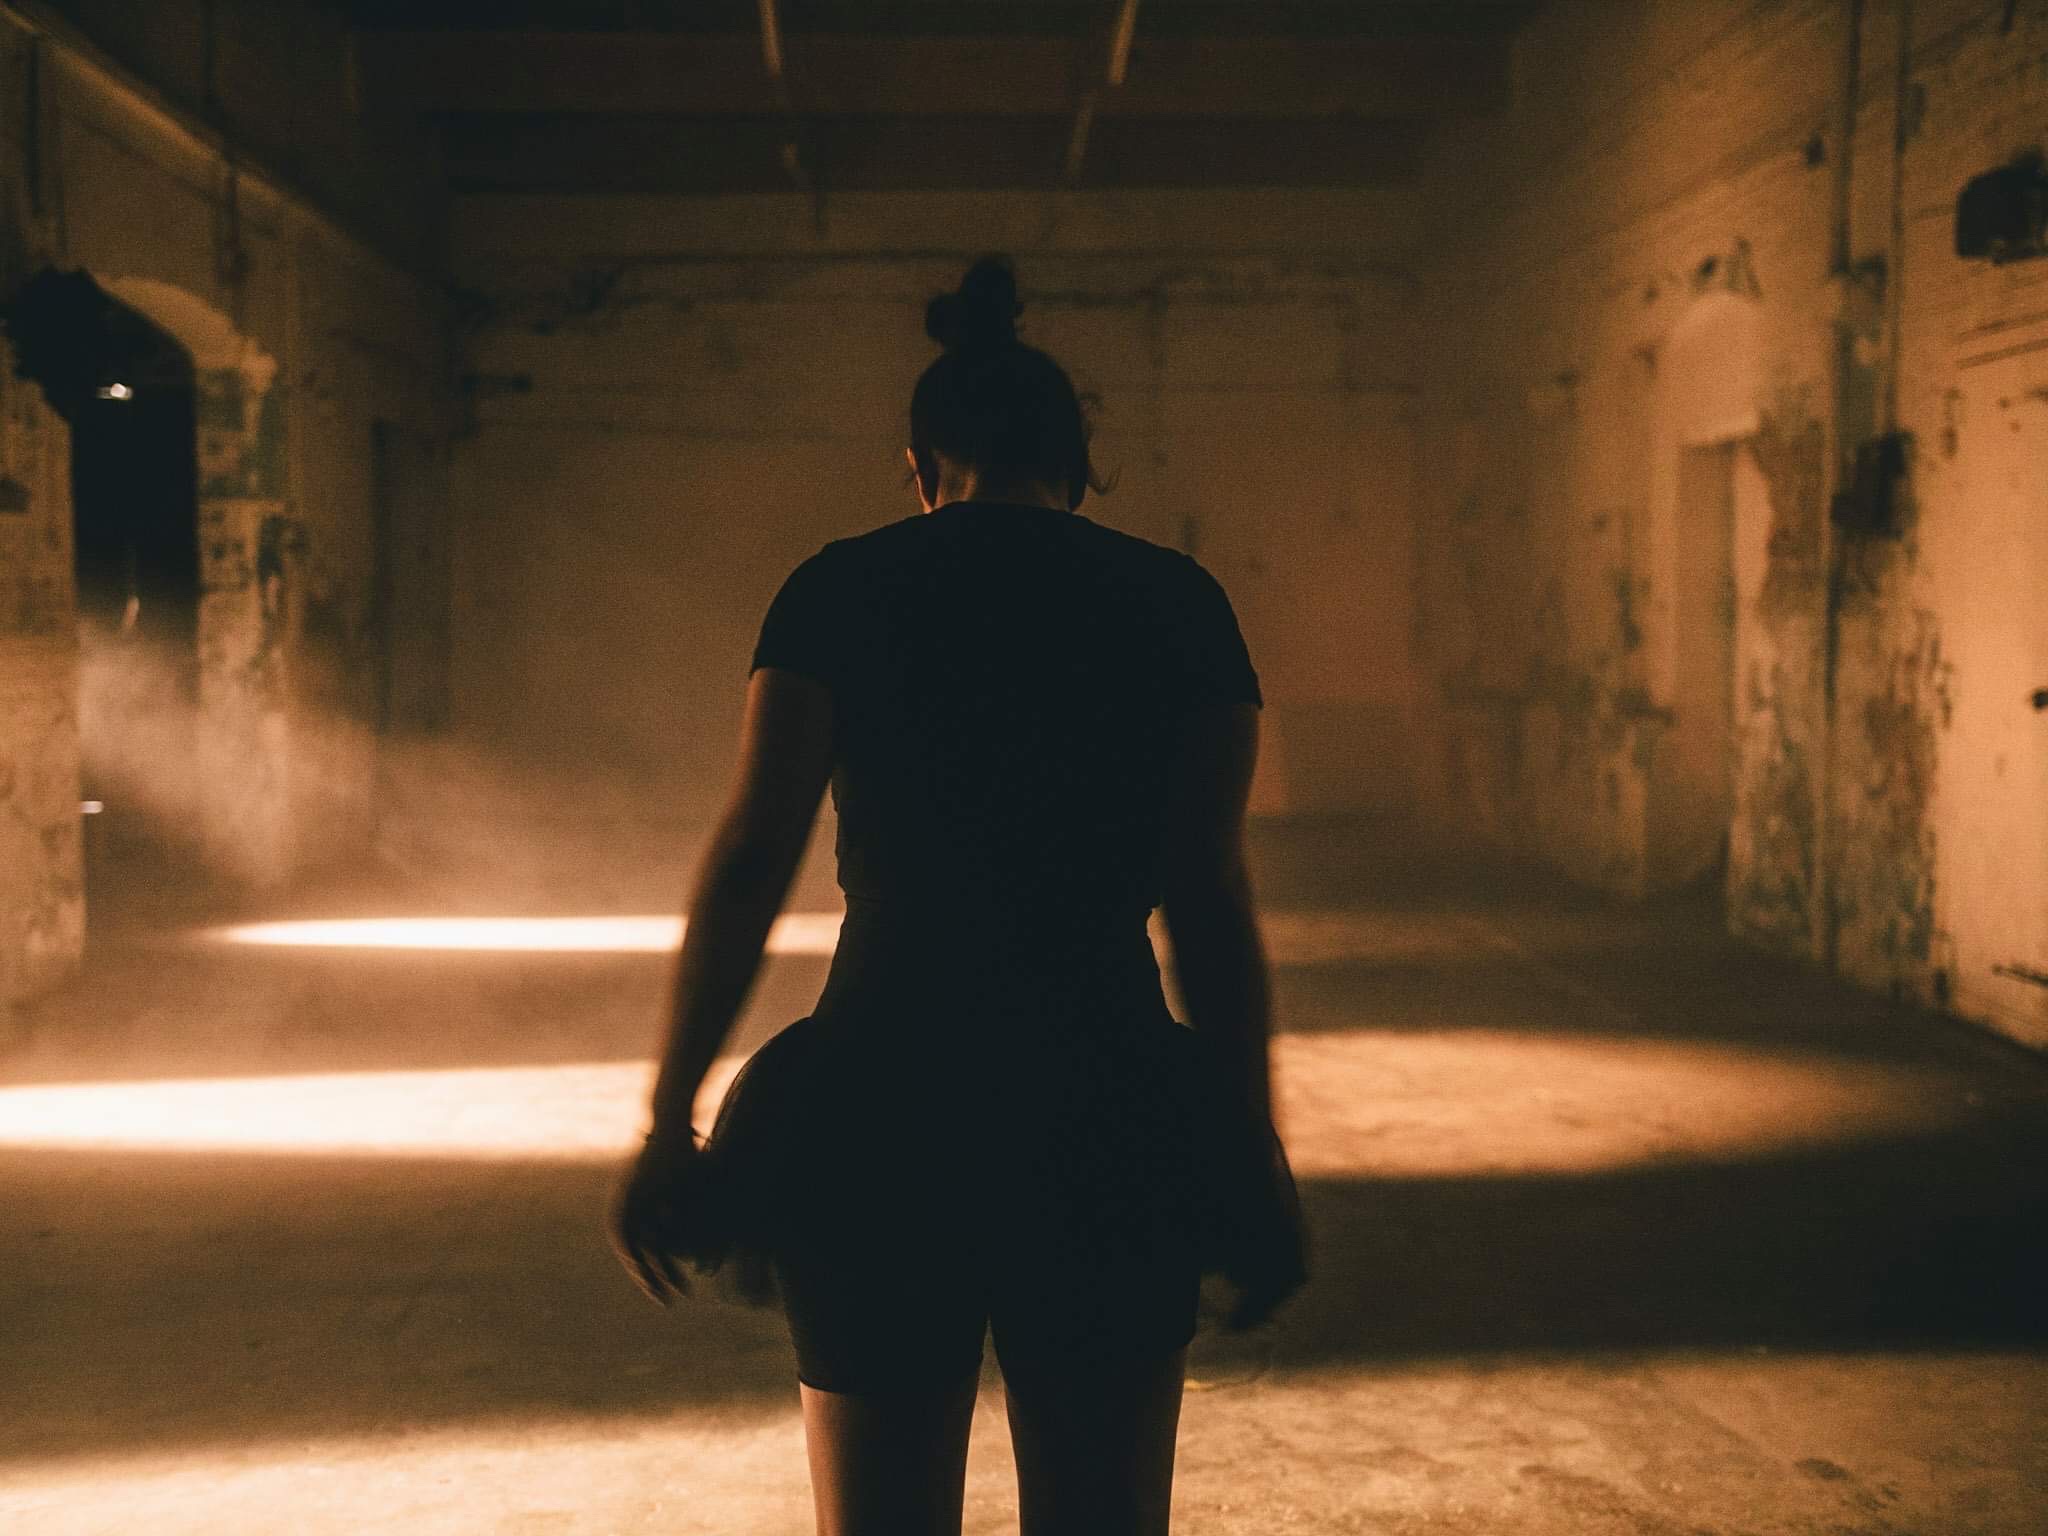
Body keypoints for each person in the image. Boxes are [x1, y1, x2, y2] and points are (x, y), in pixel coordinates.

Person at [610, 253, 1306, 1536]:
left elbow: (752, 858)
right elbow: (1207, 900)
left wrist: (668, 1120)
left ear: (920, 468)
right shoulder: (1178, 604)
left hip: (880, 1102)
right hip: (1102, 1102)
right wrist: (1247, 1145)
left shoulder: (838, 590)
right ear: (1081, 466)